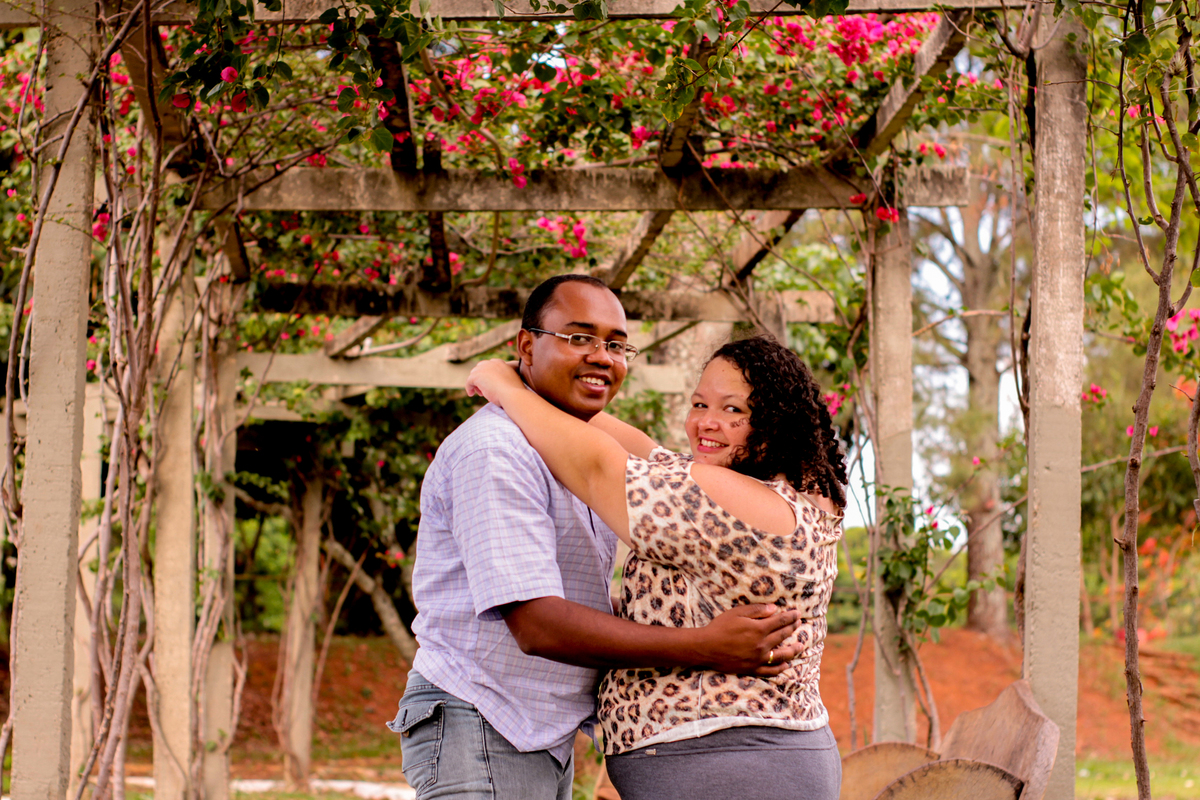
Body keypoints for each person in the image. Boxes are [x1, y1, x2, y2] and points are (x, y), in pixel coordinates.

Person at [389, 274, 805, 800]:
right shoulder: (497, 452)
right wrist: (703, 645)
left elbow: (648, 471)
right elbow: (538, 624)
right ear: (526, 345)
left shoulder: (576, 452)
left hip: (537, 730)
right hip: (484, 719)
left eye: (615, 344)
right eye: (578, 338)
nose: (601, 357)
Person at [466, 334, 848, 800]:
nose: (707, 422)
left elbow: (598, 467)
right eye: (698, 403)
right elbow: (649, 454)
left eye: (734, 411)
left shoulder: (727, 500)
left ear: (774, 423)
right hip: (749, 757)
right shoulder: (783, 498)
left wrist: (503, 388)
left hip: (731, 760)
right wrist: (541, 386)